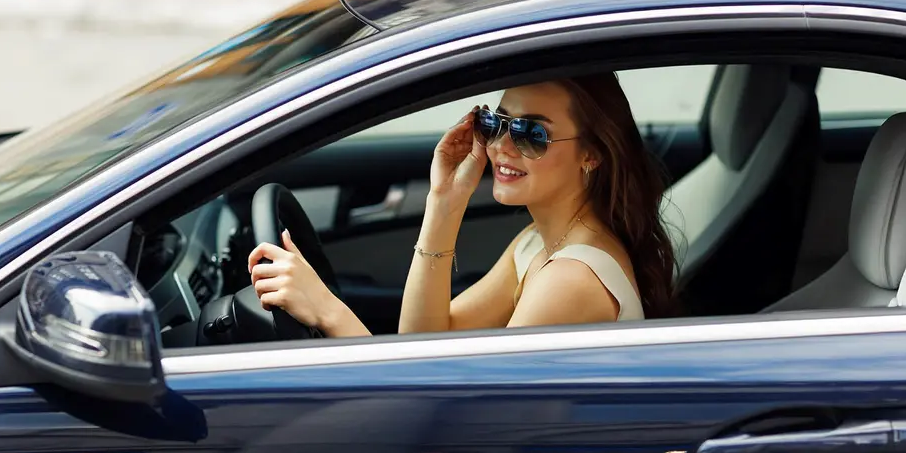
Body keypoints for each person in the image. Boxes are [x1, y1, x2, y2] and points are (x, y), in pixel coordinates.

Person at [247, 73, 678, 337]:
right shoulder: (537, 242)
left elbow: (424, 407)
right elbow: (426, 339)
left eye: (531, 134)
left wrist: (326, 310)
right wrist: (444, 203)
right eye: (496, 122)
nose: (502, 145)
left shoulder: (571, 279)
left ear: (592, 154)